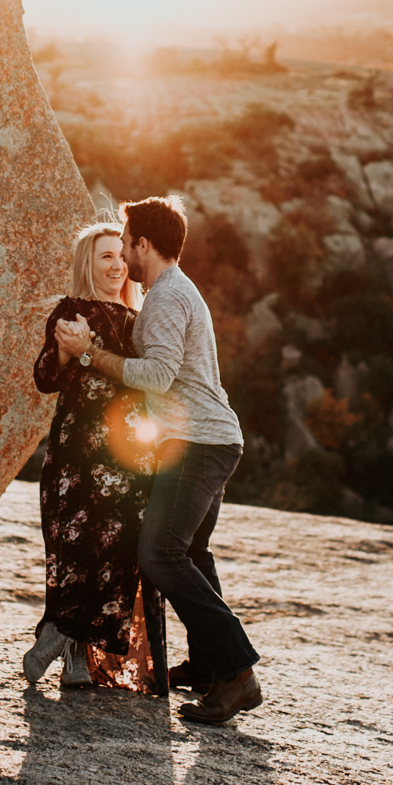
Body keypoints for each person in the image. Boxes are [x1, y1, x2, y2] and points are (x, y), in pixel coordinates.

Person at [54, 195, 264, 725]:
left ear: (145, 244)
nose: (123, 254)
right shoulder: (171, 293)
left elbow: (157, 375)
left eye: (127, 243)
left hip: (197, 443)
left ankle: (238, 673)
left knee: (161, 555)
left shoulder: (168, 297)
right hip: (209, 438)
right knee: (191, 551)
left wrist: (91, 355)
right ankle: (213, 665)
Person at [23, 221, 168, 695]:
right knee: (76, 552)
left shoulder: (140, 317)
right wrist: (67, 354)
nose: (117, 264)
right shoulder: (72, 311)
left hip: (130, 455)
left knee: (120, 555)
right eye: (105, 256)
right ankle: (74, 658)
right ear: (88, 263)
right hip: (78, 452)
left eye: (120, 255)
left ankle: (62, 634)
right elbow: (45, 377)